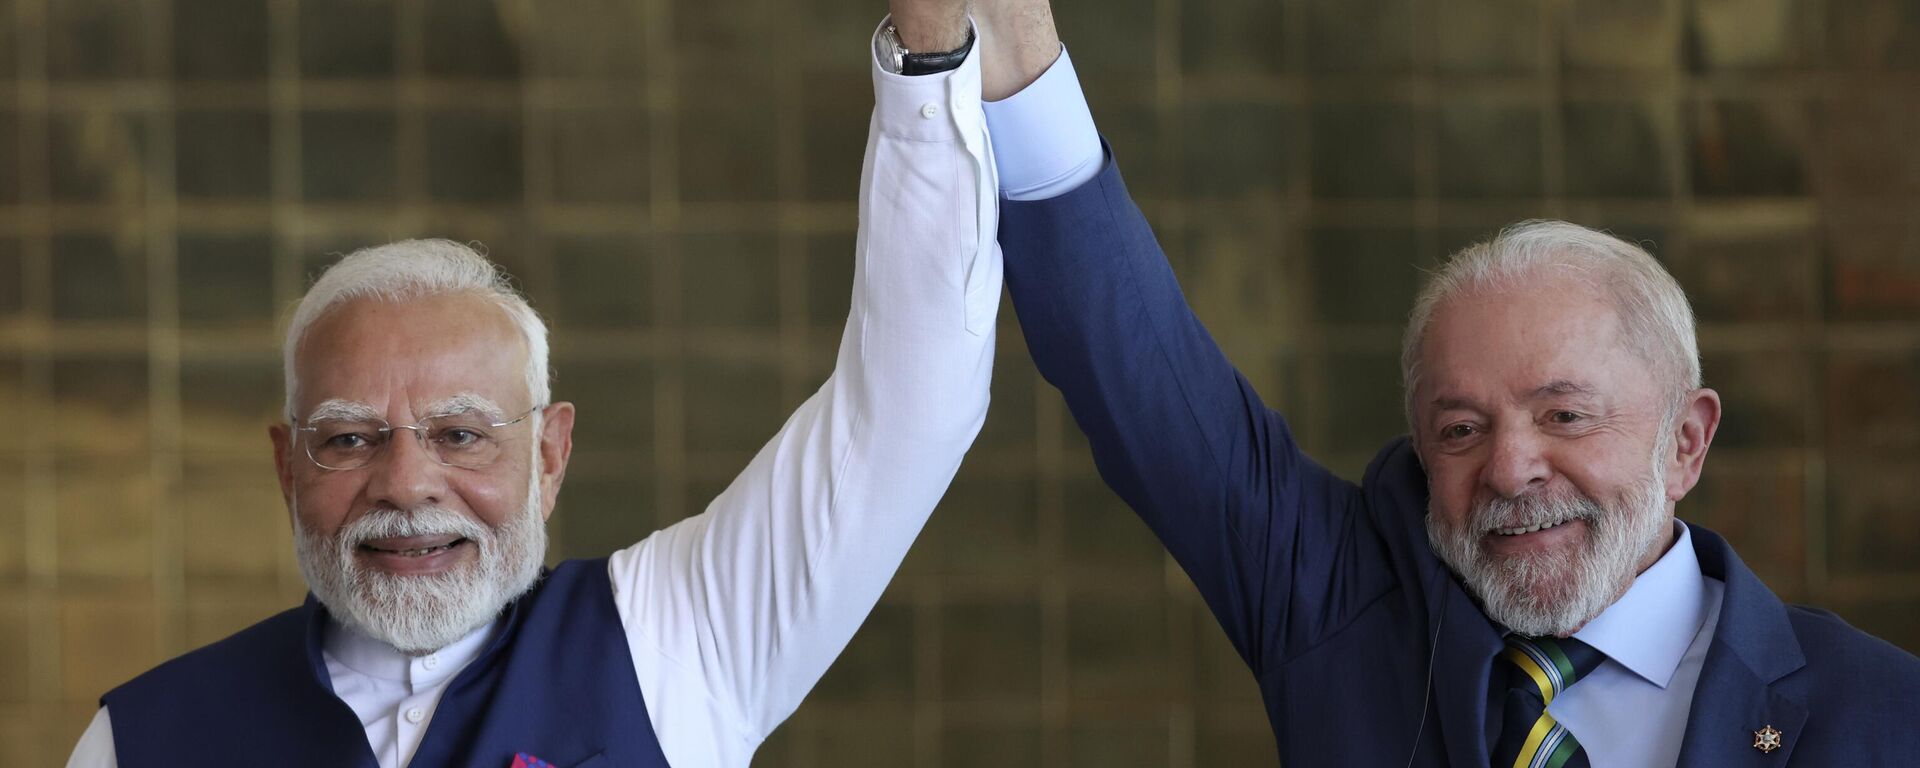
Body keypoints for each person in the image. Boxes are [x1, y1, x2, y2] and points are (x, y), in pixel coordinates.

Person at [966, 0, 1920, 764]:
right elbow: (1130, 363)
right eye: (1461, 429)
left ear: (1687, 439)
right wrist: (1002, 29)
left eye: (1565, 414)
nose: (1510, 468)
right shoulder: (1343, 612)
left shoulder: (1878, 711)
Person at [65, 0, 998, 764]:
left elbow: (907, 408)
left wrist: (930, 51)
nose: (405, 485)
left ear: (551, 454)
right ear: (287, 465)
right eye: (350, 438)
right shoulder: (142, 739)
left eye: (462, 434)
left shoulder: (678, 639)